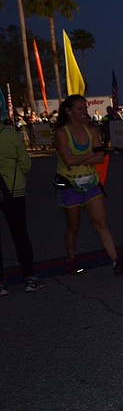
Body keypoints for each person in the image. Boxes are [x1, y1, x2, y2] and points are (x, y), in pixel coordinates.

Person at [54, 95, 123, 276]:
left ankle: (116, 262)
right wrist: (89, 155)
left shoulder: (92, 131)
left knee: (101, 222)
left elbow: (99, 158)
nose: (84, 112)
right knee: (73, 225)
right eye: (80, 108)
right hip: (69, 184)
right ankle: (71, 259)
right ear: (68, 111)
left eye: (85, 108)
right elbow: (68, 161)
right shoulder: (61, 133)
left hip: (91, 182)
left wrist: (82, 158)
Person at [0, 119, 45, 295]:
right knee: (20, 235)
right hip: (14, 190)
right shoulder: (10, 135)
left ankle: (1, 284)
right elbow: (26, 164)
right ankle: (30, 278)